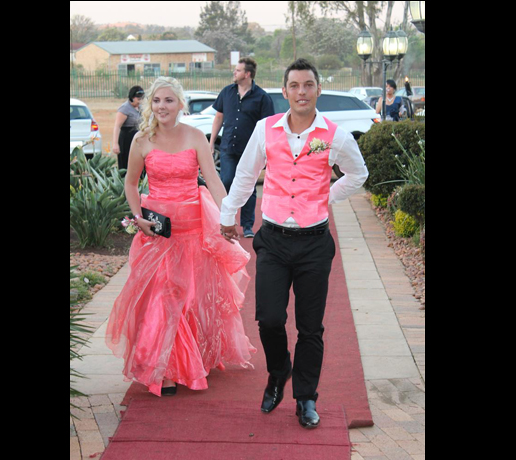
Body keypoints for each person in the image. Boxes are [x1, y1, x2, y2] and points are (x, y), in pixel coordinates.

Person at [219, 59, 368, 429]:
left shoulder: (335, 135)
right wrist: (228, 213)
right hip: (273, 239)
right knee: (269, 319)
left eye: (309, 85)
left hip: (314, 243)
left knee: (310, 327)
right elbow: (246, 174)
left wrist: (328, 196)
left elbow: (358, 173)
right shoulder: (265, 129)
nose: (302, 92)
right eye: (295, 85)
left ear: (318, 89)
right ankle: (278, 370)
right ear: (284, 91)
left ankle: (305, 398)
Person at [106, 77, 256, 397]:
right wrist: (137, 217)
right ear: (150, 104)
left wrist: (227, 217)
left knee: (192, 298)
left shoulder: (195, 136)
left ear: (180, 104)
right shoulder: (142, 140)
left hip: (194, 230)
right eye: (157, 100)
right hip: (159, 234)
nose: (162, 106)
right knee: (164, 296)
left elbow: (212, 180)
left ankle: (192, 358)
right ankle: (166, 370)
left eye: (169, 100)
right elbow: (131, 183)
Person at [210, 57, 275, 239]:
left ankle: (247, 226)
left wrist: (267, 150)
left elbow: (267, 126)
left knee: (249, 187)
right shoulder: (227, 92)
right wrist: (211, 141)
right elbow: (219, 117)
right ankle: (224, 220)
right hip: (228, 147)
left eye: (238, 70)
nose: (234, 72)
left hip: (251, 151)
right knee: (226, 181)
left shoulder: (262, 97)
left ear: (247, 74)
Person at [113, 86, 144, 171]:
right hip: (126, 139)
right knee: (126, 163)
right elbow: (117, 126)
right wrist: (115, 144)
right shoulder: (124, 108)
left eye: (141, 98)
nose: (140, 100)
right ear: (132, 97)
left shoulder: (140, 108)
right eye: (138, 98)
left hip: (137, 138)